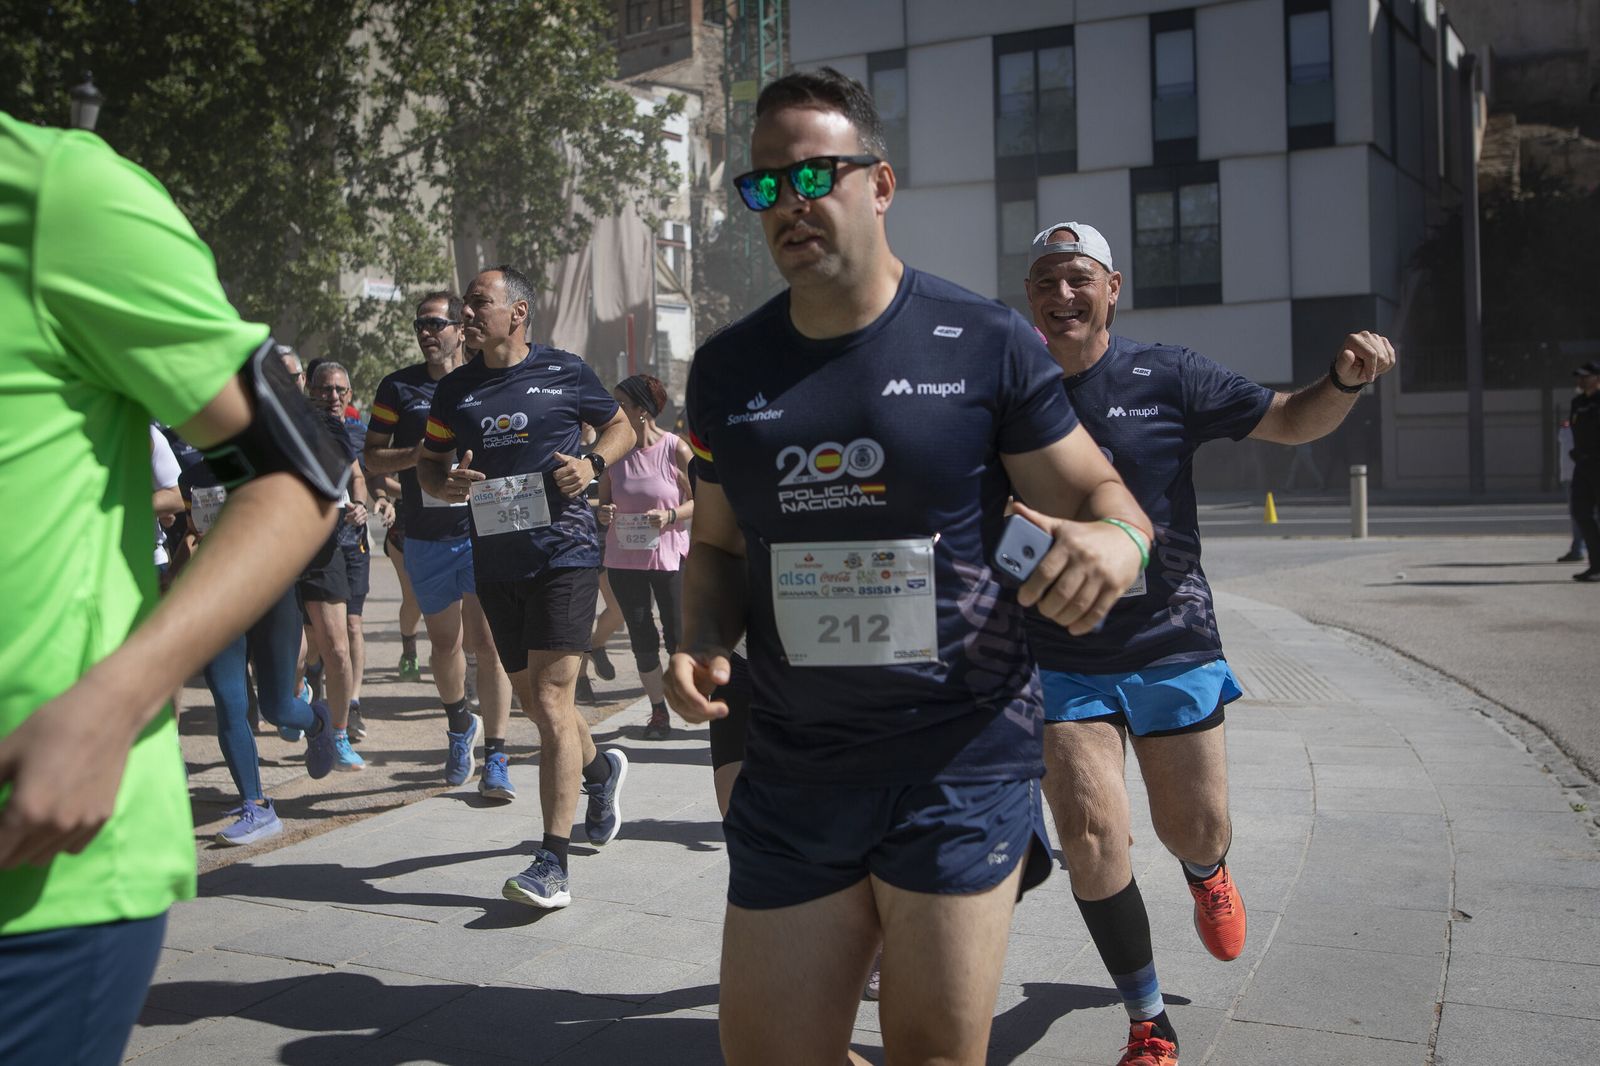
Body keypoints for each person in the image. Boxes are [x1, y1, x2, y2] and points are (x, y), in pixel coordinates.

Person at [664, 69, 1151, 1066]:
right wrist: (700, 639)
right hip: (795, 769)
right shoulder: (726, 370)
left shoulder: (984, 343)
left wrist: (1118, 542)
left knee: (931, 1054)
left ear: (879, 184)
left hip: (956, 759)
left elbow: (1101, 494)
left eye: (812, 174)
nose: (786, 203)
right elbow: (713, 543)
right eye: (763, 185)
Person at [0, 112, 342, 1064]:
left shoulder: (56, 195)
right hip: (195, 578)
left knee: (271, 695)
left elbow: (302, 471)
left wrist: (115, 697)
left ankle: (313, 730)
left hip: (39, 882)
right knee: (242, 699)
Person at [1019, 221, 1396, 1065]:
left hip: (1169, 637)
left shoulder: (1169, 374)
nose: (1061, 293)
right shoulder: (1010, 391)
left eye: (1078, 277)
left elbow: (1292, 420)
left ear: (1114, 288)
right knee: (1088, 833)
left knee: (1191, 825)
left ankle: (1206, 871)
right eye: (1045, 279)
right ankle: (1149, 1020)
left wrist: (1343, 380)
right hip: (1058, 650)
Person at [418, 265, 636, 910]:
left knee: (547, 695)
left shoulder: (565, 371)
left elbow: (620, 426)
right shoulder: (455, 390)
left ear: (517, 312)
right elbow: (431, 464)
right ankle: (601, 771)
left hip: (565, 552)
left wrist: (591, 463)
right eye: (465, 303)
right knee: (543, 707)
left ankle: (552, 862)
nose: (466, 312)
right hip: (496, 558)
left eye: (479, 302)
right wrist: (443, 484)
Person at [365, 291, 515, 793]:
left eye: (436, 323)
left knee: (490, 643)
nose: (427, 333)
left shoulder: (486, 380)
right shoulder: (397, 388)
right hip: (427, 534)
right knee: (445, 644)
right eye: (420, 325)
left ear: (459, 327)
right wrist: (425, 457)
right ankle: (459, 726)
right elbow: (371, 459)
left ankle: (497, 755)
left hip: (484, 531)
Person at [164, 424, 339, 844]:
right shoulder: (194, 474)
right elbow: (193, 528)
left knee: (277, 707)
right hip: (218, 596)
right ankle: (257, 805)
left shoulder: (265, 463)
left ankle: (316, 723)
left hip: (271, 593)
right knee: (229, 701)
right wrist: (181, 563)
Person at [595, 373, 694, 739]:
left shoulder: (675, 448)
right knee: (641, 634)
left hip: (668, 557)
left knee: (677, 635)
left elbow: (699, 500)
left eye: (621, 402)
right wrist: (604, 513)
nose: (613, 409)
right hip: (624, 558)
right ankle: (658, 712)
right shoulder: (614, 452)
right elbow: (604, 502)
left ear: (642, 410)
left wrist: (669, 516)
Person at [302, 362, 371, 770]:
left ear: (349, 394)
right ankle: (302, 707)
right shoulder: (290, 427)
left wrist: (361, 504)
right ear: (308, 389)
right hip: (286, 549)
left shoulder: (350, 430)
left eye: (339, 390)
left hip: (336, 549)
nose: (332, 396)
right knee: (299, 652)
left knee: (341, 647)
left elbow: (357, 475)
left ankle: (340, 732)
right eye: (324, 389)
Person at [1567, 362, 1600, 582]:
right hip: (1584, 465)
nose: (1580, 380)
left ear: (1597, 378)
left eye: (1585, 377)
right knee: (1580, 511)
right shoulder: (1577, 403)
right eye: (1579, 377)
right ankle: (1596, 565)